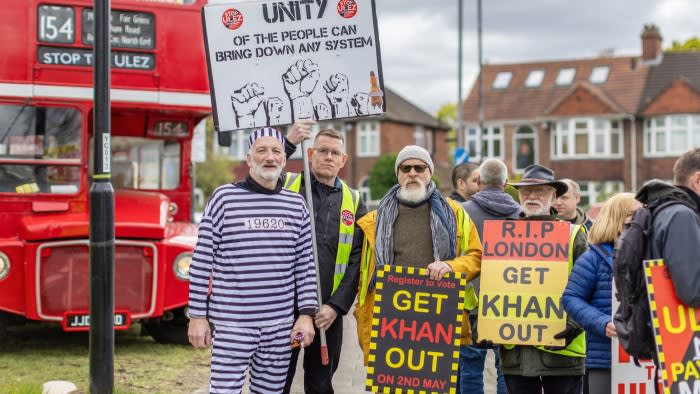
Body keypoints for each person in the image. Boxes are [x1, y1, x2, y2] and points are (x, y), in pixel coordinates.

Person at [187, 127, 318, 394]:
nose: (269, 157)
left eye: (276, 151)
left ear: (284, 159)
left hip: (280, 329)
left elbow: (305, 267)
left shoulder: (297, 205)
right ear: (249, 159)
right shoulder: (224, 198)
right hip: (232, 326)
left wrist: (305, 315)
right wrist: (197, 316)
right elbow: (201, 261)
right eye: (261, 150)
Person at [353, 145, 483, 364]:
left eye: (419, 167)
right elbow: (361, 272)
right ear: (398, 174)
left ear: (429, 172)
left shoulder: (455, 212)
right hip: (390, 323)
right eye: (405, 168)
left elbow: (476, 256)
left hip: (438, 323)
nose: (412, 173)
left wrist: (452, 267)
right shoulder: (375, 221)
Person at [281, 124, 367, 394]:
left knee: (320, 384)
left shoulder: (353, 201)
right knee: (279, 377)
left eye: (335, 153)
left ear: (343, 160)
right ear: (310, 153)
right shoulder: (285, 186)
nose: (328, 157)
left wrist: (337, 307)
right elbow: (264, 167)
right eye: (323, 151)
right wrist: (288, 142)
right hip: (288, 313)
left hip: (326, 317)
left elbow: (357, 262)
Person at [501, 164, 588, 394]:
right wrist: (480, 321)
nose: (531, 196)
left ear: (553, 197)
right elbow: (488, 285)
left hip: (561, 353)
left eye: (539, 191)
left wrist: (575, 325)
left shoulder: (574, 235)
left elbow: (591, 286)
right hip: (516, 353)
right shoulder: (501, 236)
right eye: (526, 191)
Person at [562, 193, 640, 394]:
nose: (641, 219)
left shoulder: (651, 254)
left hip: (644, 360)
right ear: (616, 218)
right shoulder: (593, 259)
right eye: (633, 214)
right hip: (605, 358)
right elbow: (571, 298)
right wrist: (602, 323)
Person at [459, 158, 521, 394]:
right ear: (506, 183)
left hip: (469, 302)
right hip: (508, 305)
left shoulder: (462, 213)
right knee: (506, 368)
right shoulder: (521, 215)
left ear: (477, 181)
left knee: (470, 369)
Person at [636, 147, 700, 307]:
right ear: (698, 181)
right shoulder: (682, 216)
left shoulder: (663, 210)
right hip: (681, 326)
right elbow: (692, 291)